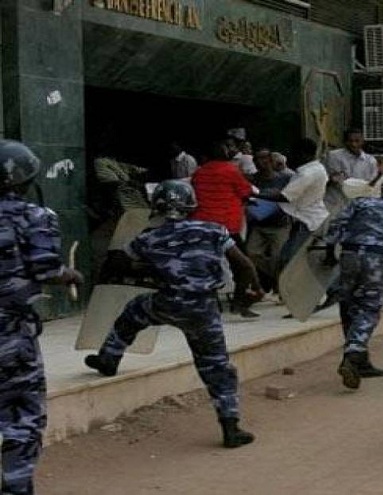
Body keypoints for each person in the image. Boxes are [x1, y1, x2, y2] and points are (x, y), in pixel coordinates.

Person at [84, 180, 260, 449]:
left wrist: (148, 266)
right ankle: (231, 427)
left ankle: (108, 358)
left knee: (133, 312)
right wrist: (248, 293)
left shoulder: (147, 237)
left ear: (157, 207)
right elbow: (245, 266)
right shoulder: (215, 230)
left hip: (167, 303)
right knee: (217, 367)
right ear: (191, 205)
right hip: (204, 310)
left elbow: (120, 264)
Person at [0, 140, 83, 495]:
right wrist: (72, 276)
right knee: (22, 417)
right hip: (11, 333)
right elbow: (47, 269)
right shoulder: (35, 216)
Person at [325, 172, 383, 390]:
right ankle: (353, 354)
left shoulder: (360, 202)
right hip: (377, 260)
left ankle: (362, 361)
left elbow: (336, 224)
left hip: (350, 256)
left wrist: (330, 250)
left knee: (348, 305)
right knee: (369, 308)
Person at [191, 137, 259, 318]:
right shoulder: (231, 171)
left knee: (204, 266)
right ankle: (239, 303)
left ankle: (208, 304)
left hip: (202, 226)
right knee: (243, 266)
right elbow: (246, 192)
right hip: (227, 227)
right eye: (226, 147)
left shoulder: (199, 173)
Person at [255, 138, 329, 273]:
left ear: (303, 154)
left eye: (294, 152)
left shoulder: (307, 173)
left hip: (307, 221)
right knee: (291, 258)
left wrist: (255, 193)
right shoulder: (317, 168)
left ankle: (287, 291)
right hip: (311, 218)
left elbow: (284, 197)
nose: (291, 156)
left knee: (288, 260)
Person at [246, 148, 293, 294]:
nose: (263, 162)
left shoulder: (284, 178)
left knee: (278, 257)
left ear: (272, 160)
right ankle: (265, 283)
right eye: (259, 159)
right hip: (259, 224)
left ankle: (280, 287)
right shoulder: (253, 179)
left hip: (280, 224)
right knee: (251, 253)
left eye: (266, 158)